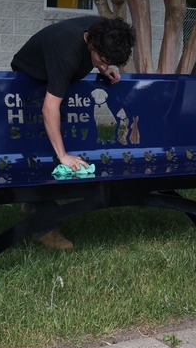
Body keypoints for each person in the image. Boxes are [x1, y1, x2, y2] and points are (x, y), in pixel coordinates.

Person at [11, 16, 135, 250]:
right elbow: (49, 108)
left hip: (60, 73)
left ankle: (32, 202)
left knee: (57, 137)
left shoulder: (105, 31)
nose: (104, 64)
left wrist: (104, 67)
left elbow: (98, 57)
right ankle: (44, 225)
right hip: (30, 76)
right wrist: (63, 156)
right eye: (103, 59)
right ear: (91, 43)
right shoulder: (65, 52)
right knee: (44, 148)